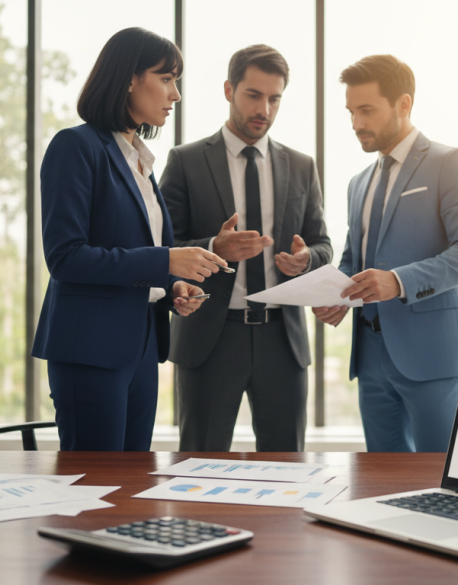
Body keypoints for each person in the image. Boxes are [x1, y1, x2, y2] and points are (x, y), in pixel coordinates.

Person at [31, 27, 226, 451]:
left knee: (133, 487)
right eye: (167, 79)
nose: (175, 95)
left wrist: (172, 285)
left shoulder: (140, 160)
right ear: (130, 79)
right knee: (92, 488)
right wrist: (166, 262)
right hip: (91, 350)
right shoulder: (75, 147)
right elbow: (65, 258)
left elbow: (139, 256)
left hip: (140, 347)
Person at [313, 55, 458, 453]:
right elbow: (354, 258)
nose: (356, 123)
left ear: (403, 104)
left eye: (367, 111)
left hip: (431, 356)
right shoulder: (358, 183)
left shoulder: (451, 162)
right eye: (351, 112)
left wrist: (399, 281)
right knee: (380, 481)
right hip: (370, 358)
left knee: (437, 477)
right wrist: (337, 294)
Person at [161, 45, 332, 452]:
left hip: (282, 339)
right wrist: (212, 247)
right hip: (210, 339)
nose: (265, 110)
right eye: (253, 95)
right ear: (228, 90)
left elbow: (323, 244)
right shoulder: (186, 162)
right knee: (198, 463)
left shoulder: (302, 165)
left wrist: (308, 259)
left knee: (286, 467)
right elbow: (161, 246)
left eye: (275, 99)